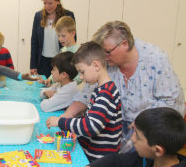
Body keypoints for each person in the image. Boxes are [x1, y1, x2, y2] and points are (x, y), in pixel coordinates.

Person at [63, 21, 185, 152]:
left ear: (125, 44)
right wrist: (68, 115)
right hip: (116, 125)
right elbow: (86, 94)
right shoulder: (107, 62)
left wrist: (142, 124)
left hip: (145, 128)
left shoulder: (156, 59)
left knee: (123, 156)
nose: (104, 57)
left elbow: (171, 102)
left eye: (107, 52)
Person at [46, 41, 122, 162]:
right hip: (94, 152)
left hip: (100, 159)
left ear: (96, 66)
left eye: (82, 72)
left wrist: (62, 122)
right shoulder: (101, 89)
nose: (81, 77)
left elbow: (91, 126)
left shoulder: (105, 94)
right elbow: (92, 121)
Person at [89, 107, 186, 167]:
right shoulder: (146, 158)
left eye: (138, 137)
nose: (132, 138)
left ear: (158, 150)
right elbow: (115, 160)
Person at [30, 0, 76, 78]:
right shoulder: (38, 16)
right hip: (42, 62)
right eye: (45, 3)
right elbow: (34, 41)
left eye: (50, 3)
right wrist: (33, 65)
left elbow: (72, 39)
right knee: (43, 87)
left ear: (58, 1)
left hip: (61, 60)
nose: (47, 6)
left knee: (59, 88)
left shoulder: (68, 15)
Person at [39, 15, 80, 86]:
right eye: (58, 36)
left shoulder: (78, 52)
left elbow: (79, 76)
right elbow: (57, 68)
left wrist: (68, 85)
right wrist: (50, 80)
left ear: (73, 33)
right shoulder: (63, 49)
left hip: (68, 90)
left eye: (63, 36)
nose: (60, 39)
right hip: (60, 87)